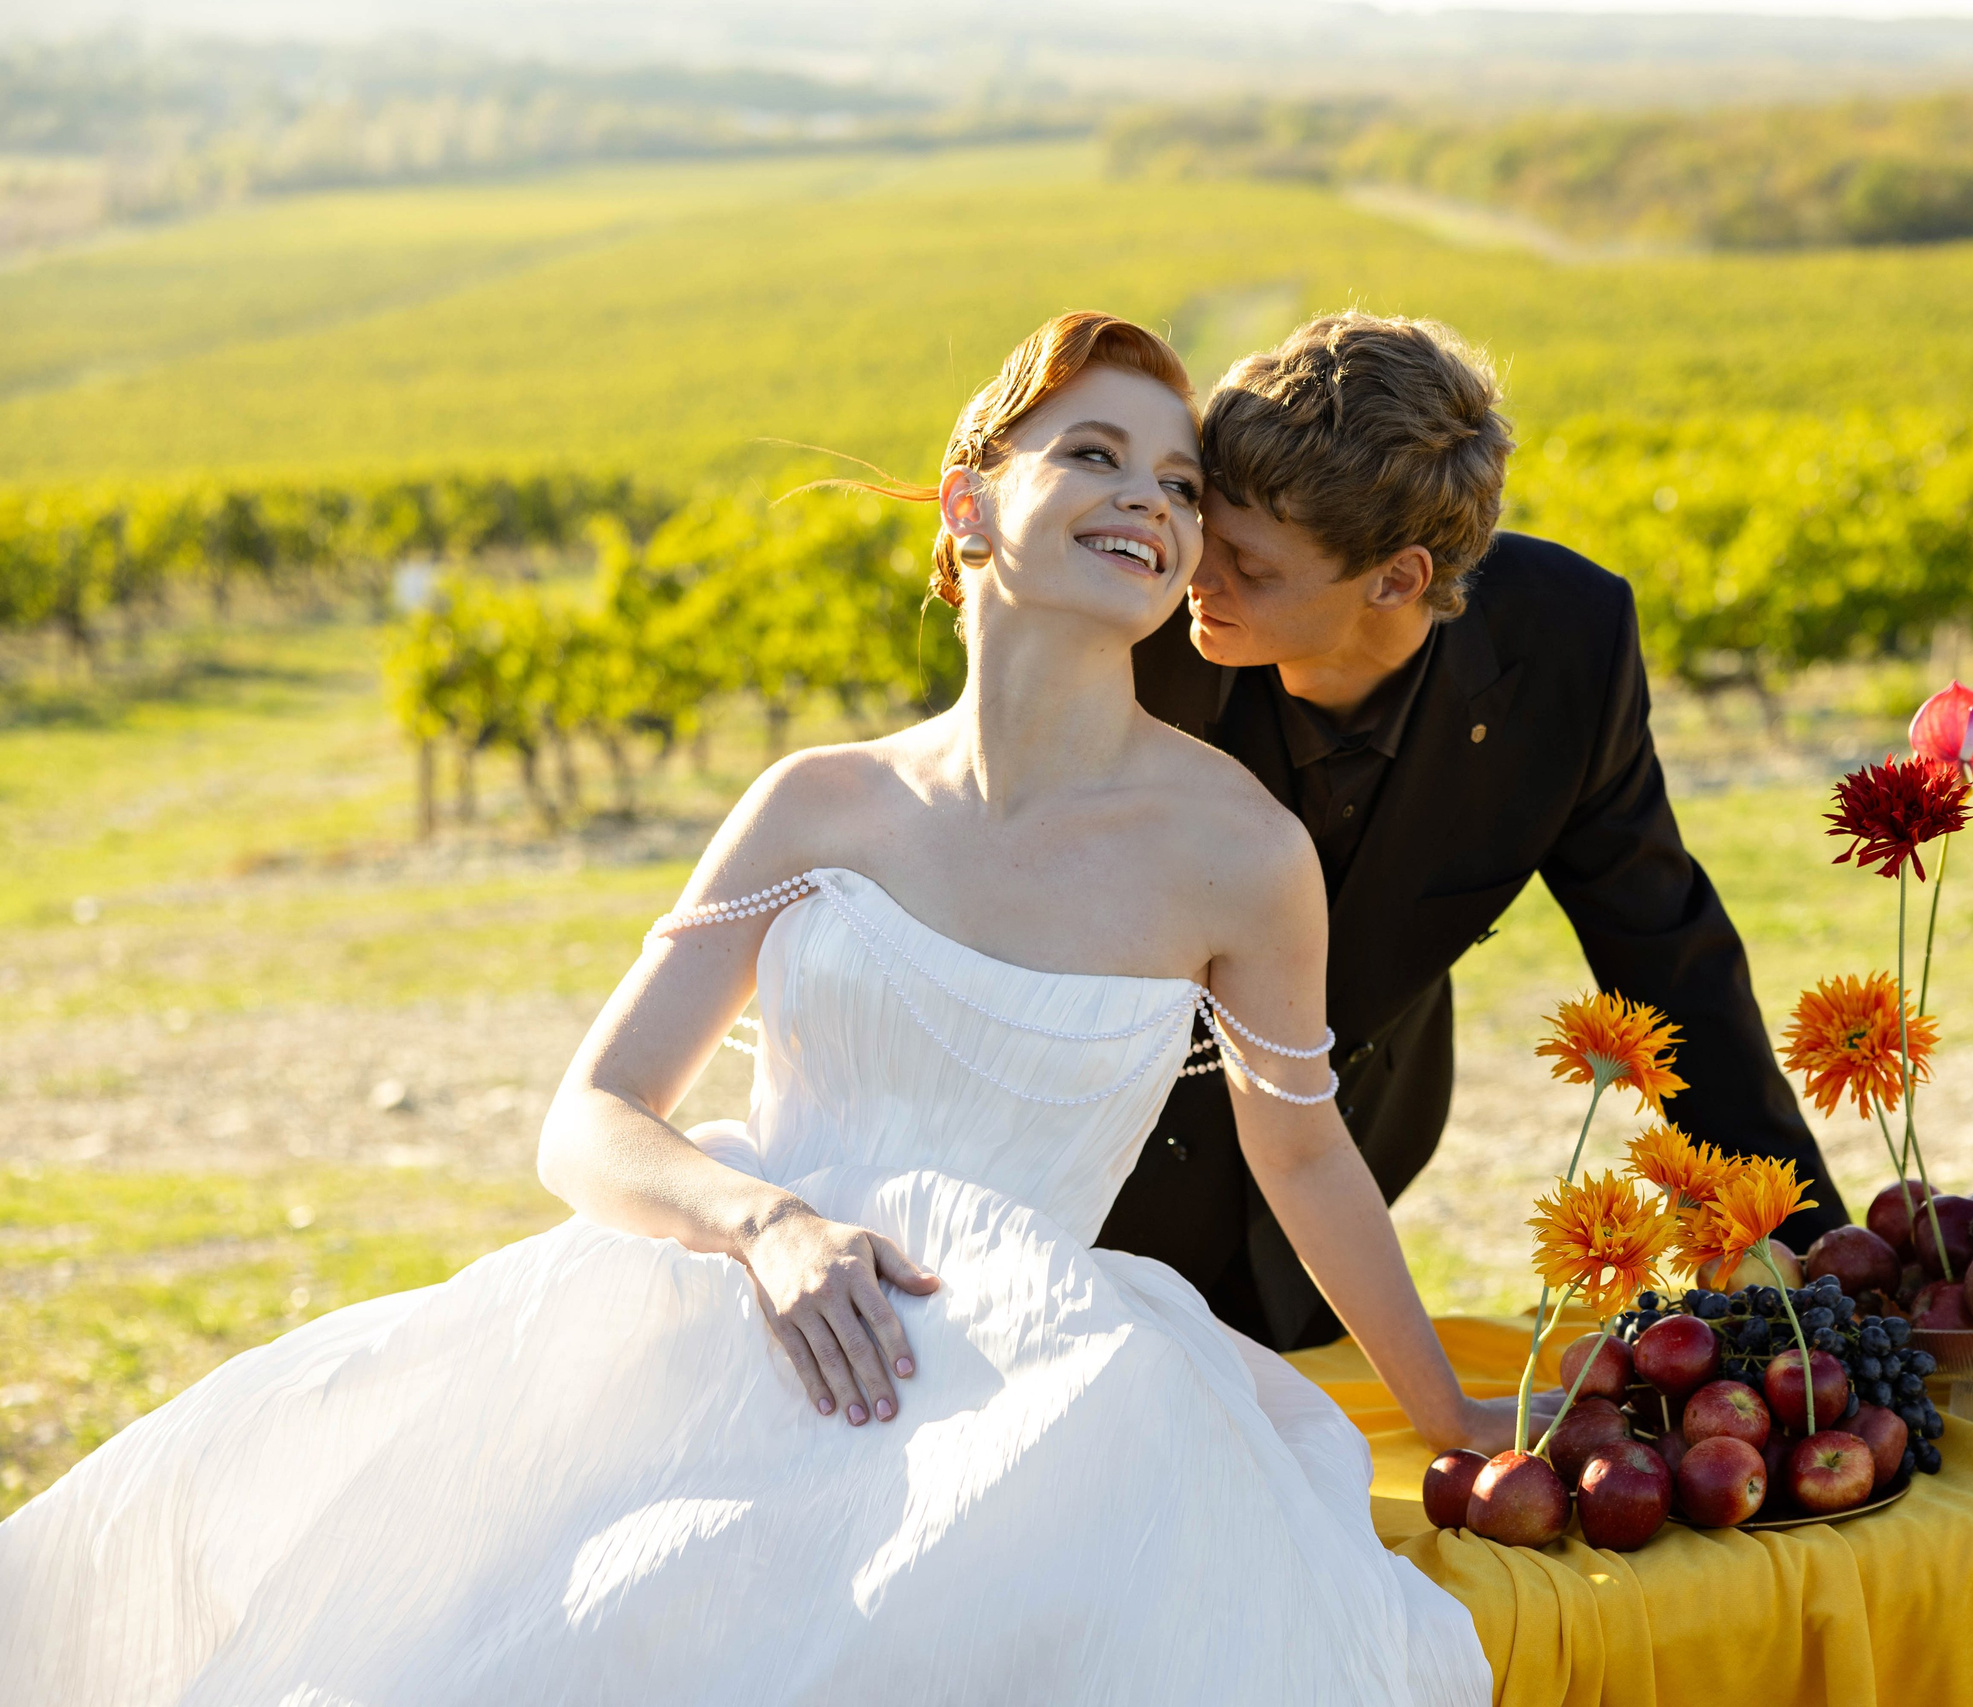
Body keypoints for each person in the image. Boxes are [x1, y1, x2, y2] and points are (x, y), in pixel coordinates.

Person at [0, 313, 1496, 1706]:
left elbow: (1303, 1156)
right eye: (1093, 453)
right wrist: (764, 1223)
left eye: (1178, 483)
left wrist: (1446, 1414)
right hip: (719, 1330)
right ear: (966, 509)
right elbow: (587, 1119)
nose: (1150, 500)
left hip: (1036, 1396)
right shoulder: (816, 804)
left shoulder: (1242, 853)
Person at [1102, 311, 1845, 1353]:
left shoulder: (1566, 644)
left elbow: (1665, 958)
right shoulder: (1123, 631)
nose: (1196, 577)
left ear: (1396, 579)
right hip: (1100, 1180)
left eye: (1252, 567)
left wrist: (1809, 1257)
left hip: (1355, 1152)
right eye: (1200, 529)